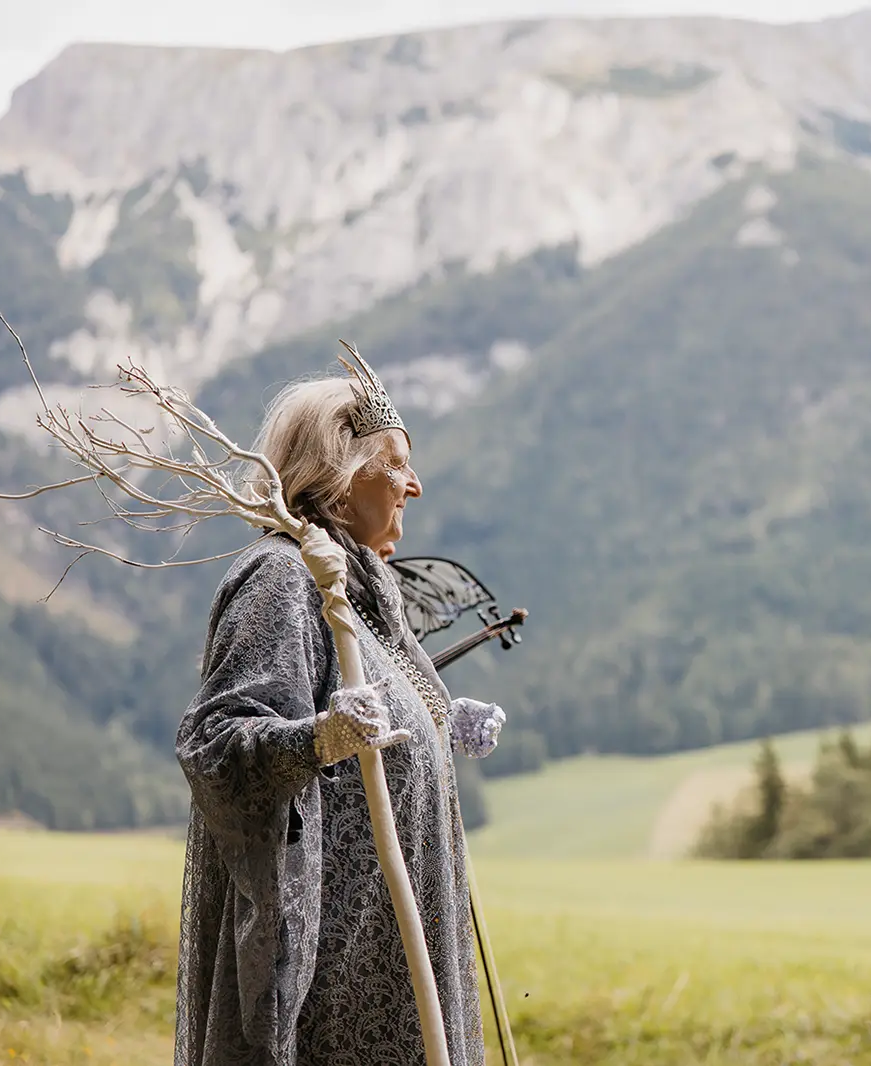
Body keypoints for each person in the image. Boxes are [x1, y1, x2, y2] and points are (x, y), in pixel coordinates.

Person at [173, 351, 505, 1066]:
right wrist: (318, 737)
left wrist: (442, 727)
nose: (414, 485)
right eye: (396, 463)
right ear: (340, 475)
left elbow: (382, 745)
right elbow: (216, 744)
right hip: (338, 972)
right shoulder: (282, 577)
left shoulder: (362, 591)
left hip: (395, 951)